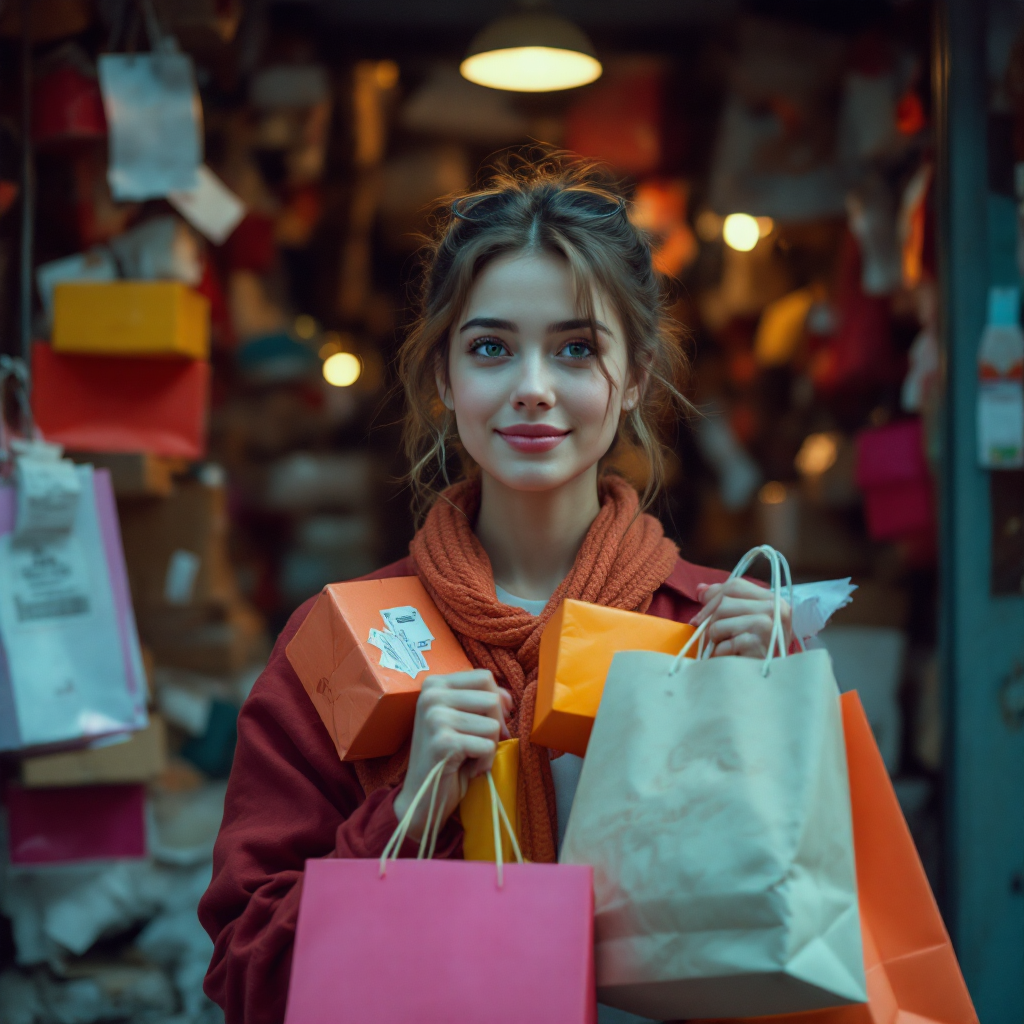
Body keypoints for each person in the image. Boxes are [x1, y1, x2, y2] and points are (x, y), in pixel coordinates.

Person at [198, 152, 792, 1024]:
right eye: (491, 349)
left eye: (577, 349)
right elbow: (250, 976)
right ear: (444, 377)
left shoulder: (717, 629)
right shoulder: (336, 642)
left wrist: (773, 713)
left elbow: (805, 949)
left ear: (632, 378)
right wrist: (406, 813)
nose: (532, 390)